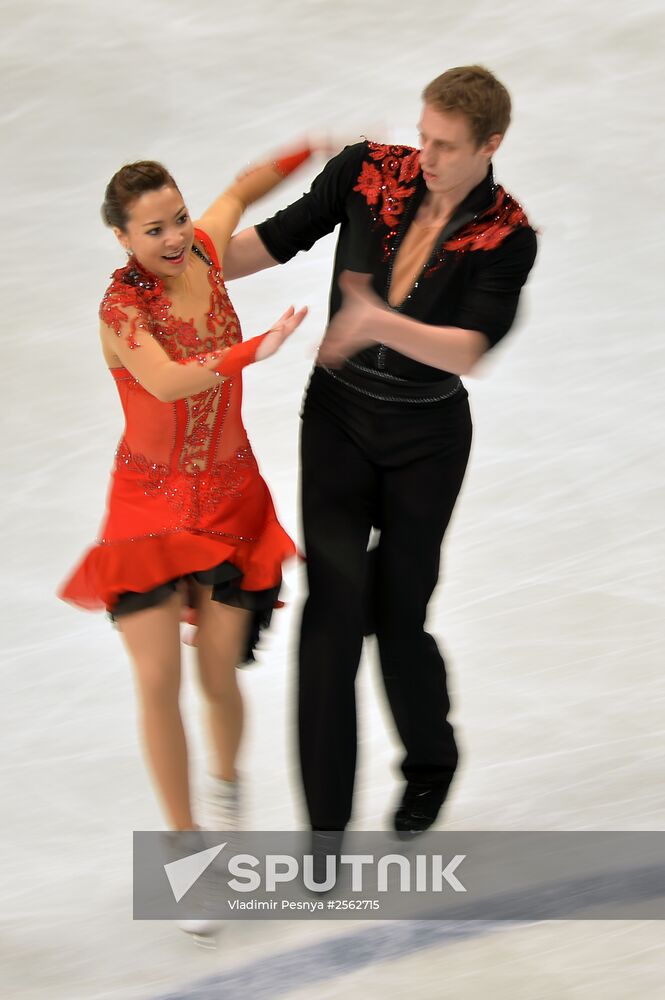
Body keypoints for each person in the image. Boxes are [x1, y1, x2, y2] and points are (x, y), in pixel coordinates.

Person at [223, 66, 538, 839]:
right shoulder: (366, 171)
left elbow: (468, 349)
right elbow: (269, 242)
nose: (424, 155)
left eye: (446, 145)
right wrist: (174, 262)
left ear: (489, 145)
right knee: (330, 612)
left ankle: (431, 761)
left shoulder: (506, 233)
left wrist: (373, 321)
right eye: (423, 134)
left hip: (427, 439)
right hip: (337, 420)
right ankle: (323, 831)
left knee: (398, 618)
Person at [59, 147, 315, 852]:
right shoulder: (122, 309)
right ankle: (183, 840)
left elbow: (241, 189)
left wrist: (311, 151)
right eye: (152, 230)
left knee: (217, 674)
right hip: (149, 508)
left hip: (232, 502)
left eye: (176, 219)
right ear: (121, 237)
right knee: (157, 679)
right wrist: (252, 350)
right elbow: (168, 382)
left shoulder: (204, 248)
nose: (172, 238)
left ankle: (227, 786)